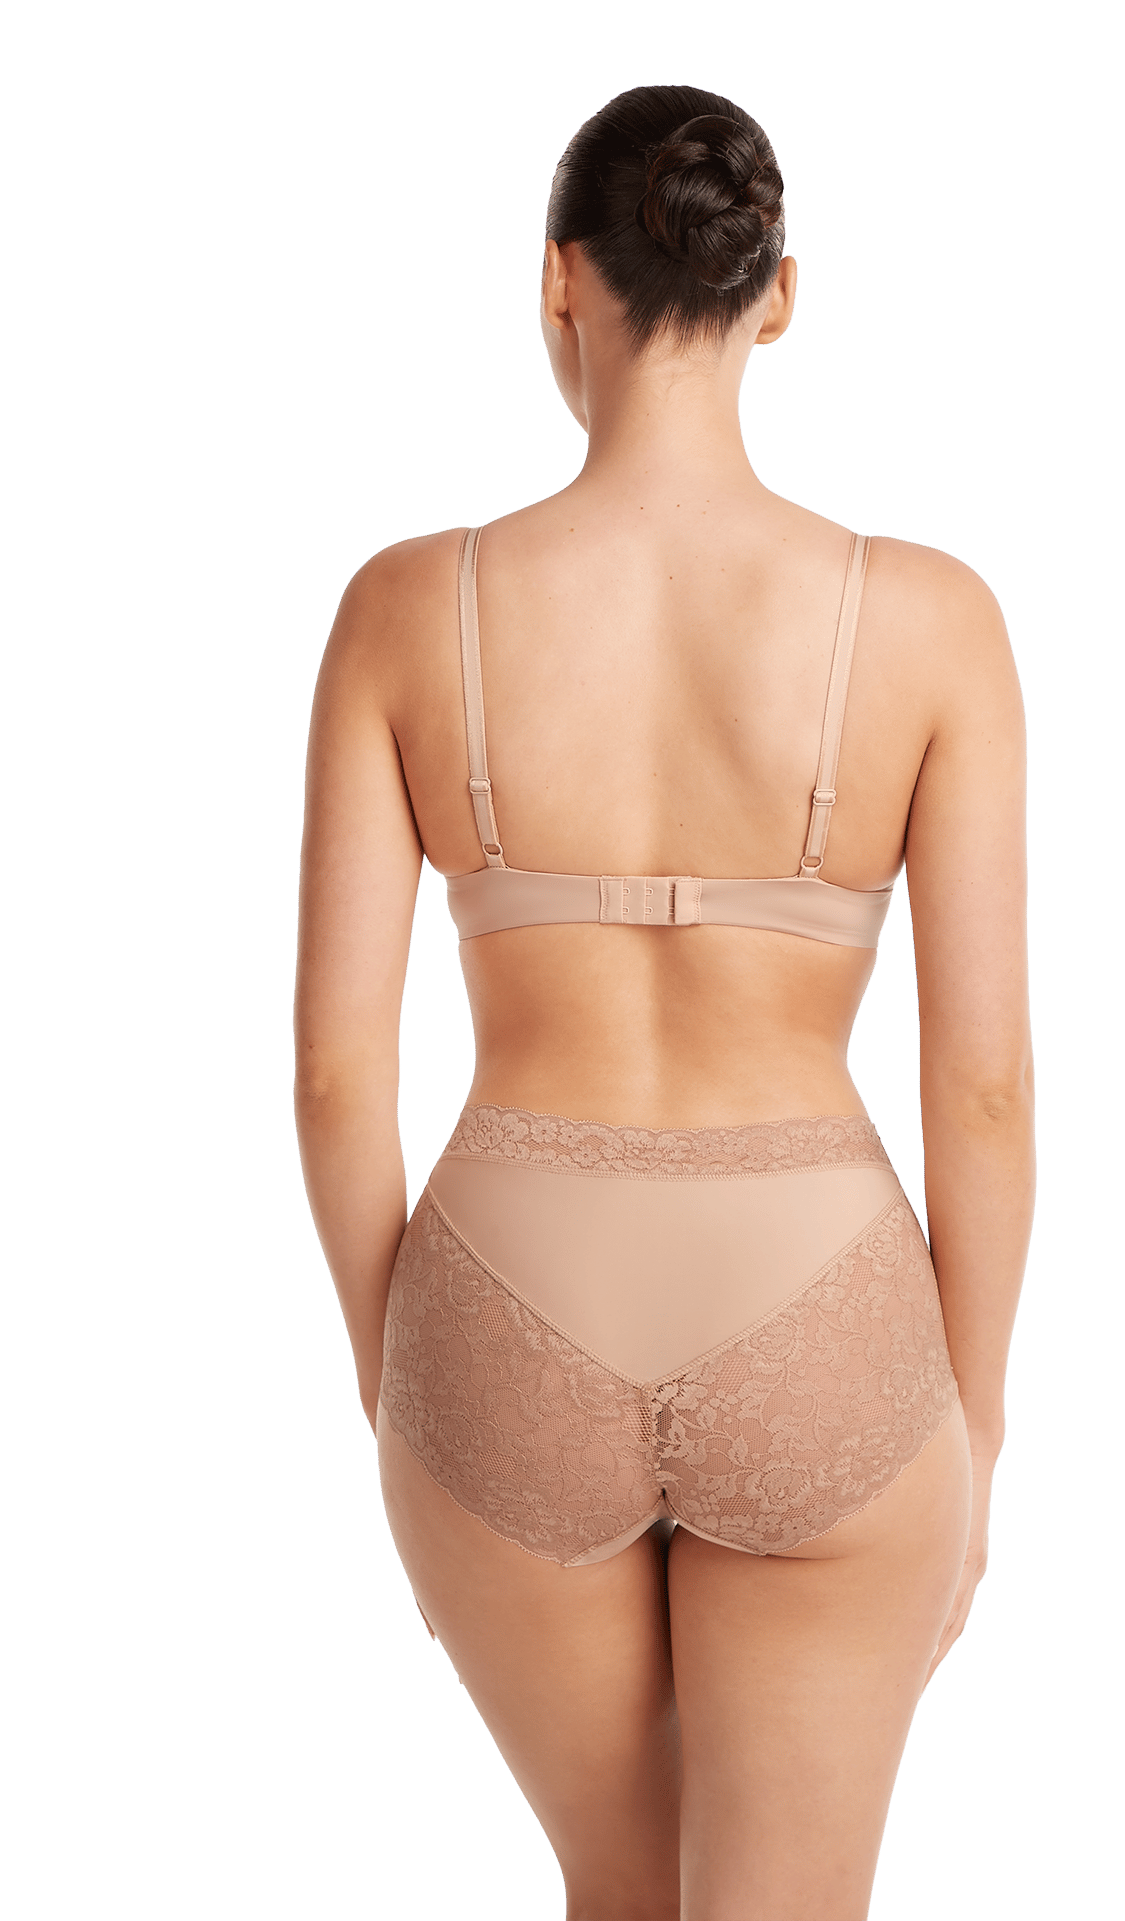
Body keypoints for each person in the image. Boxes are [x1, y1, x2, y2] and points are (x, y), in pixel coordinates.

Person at [294, 83, 1035, 1921]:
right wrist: (974, 1421)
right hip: (819, 1298)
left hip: (503, 1283)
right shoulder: (930, 619)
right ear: (776, 293)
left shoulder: (404, 605)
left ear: (557, 282)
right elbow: (983, 1088)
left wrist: (407, 1374)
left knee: (616, 1890)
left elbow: (334, 1078)